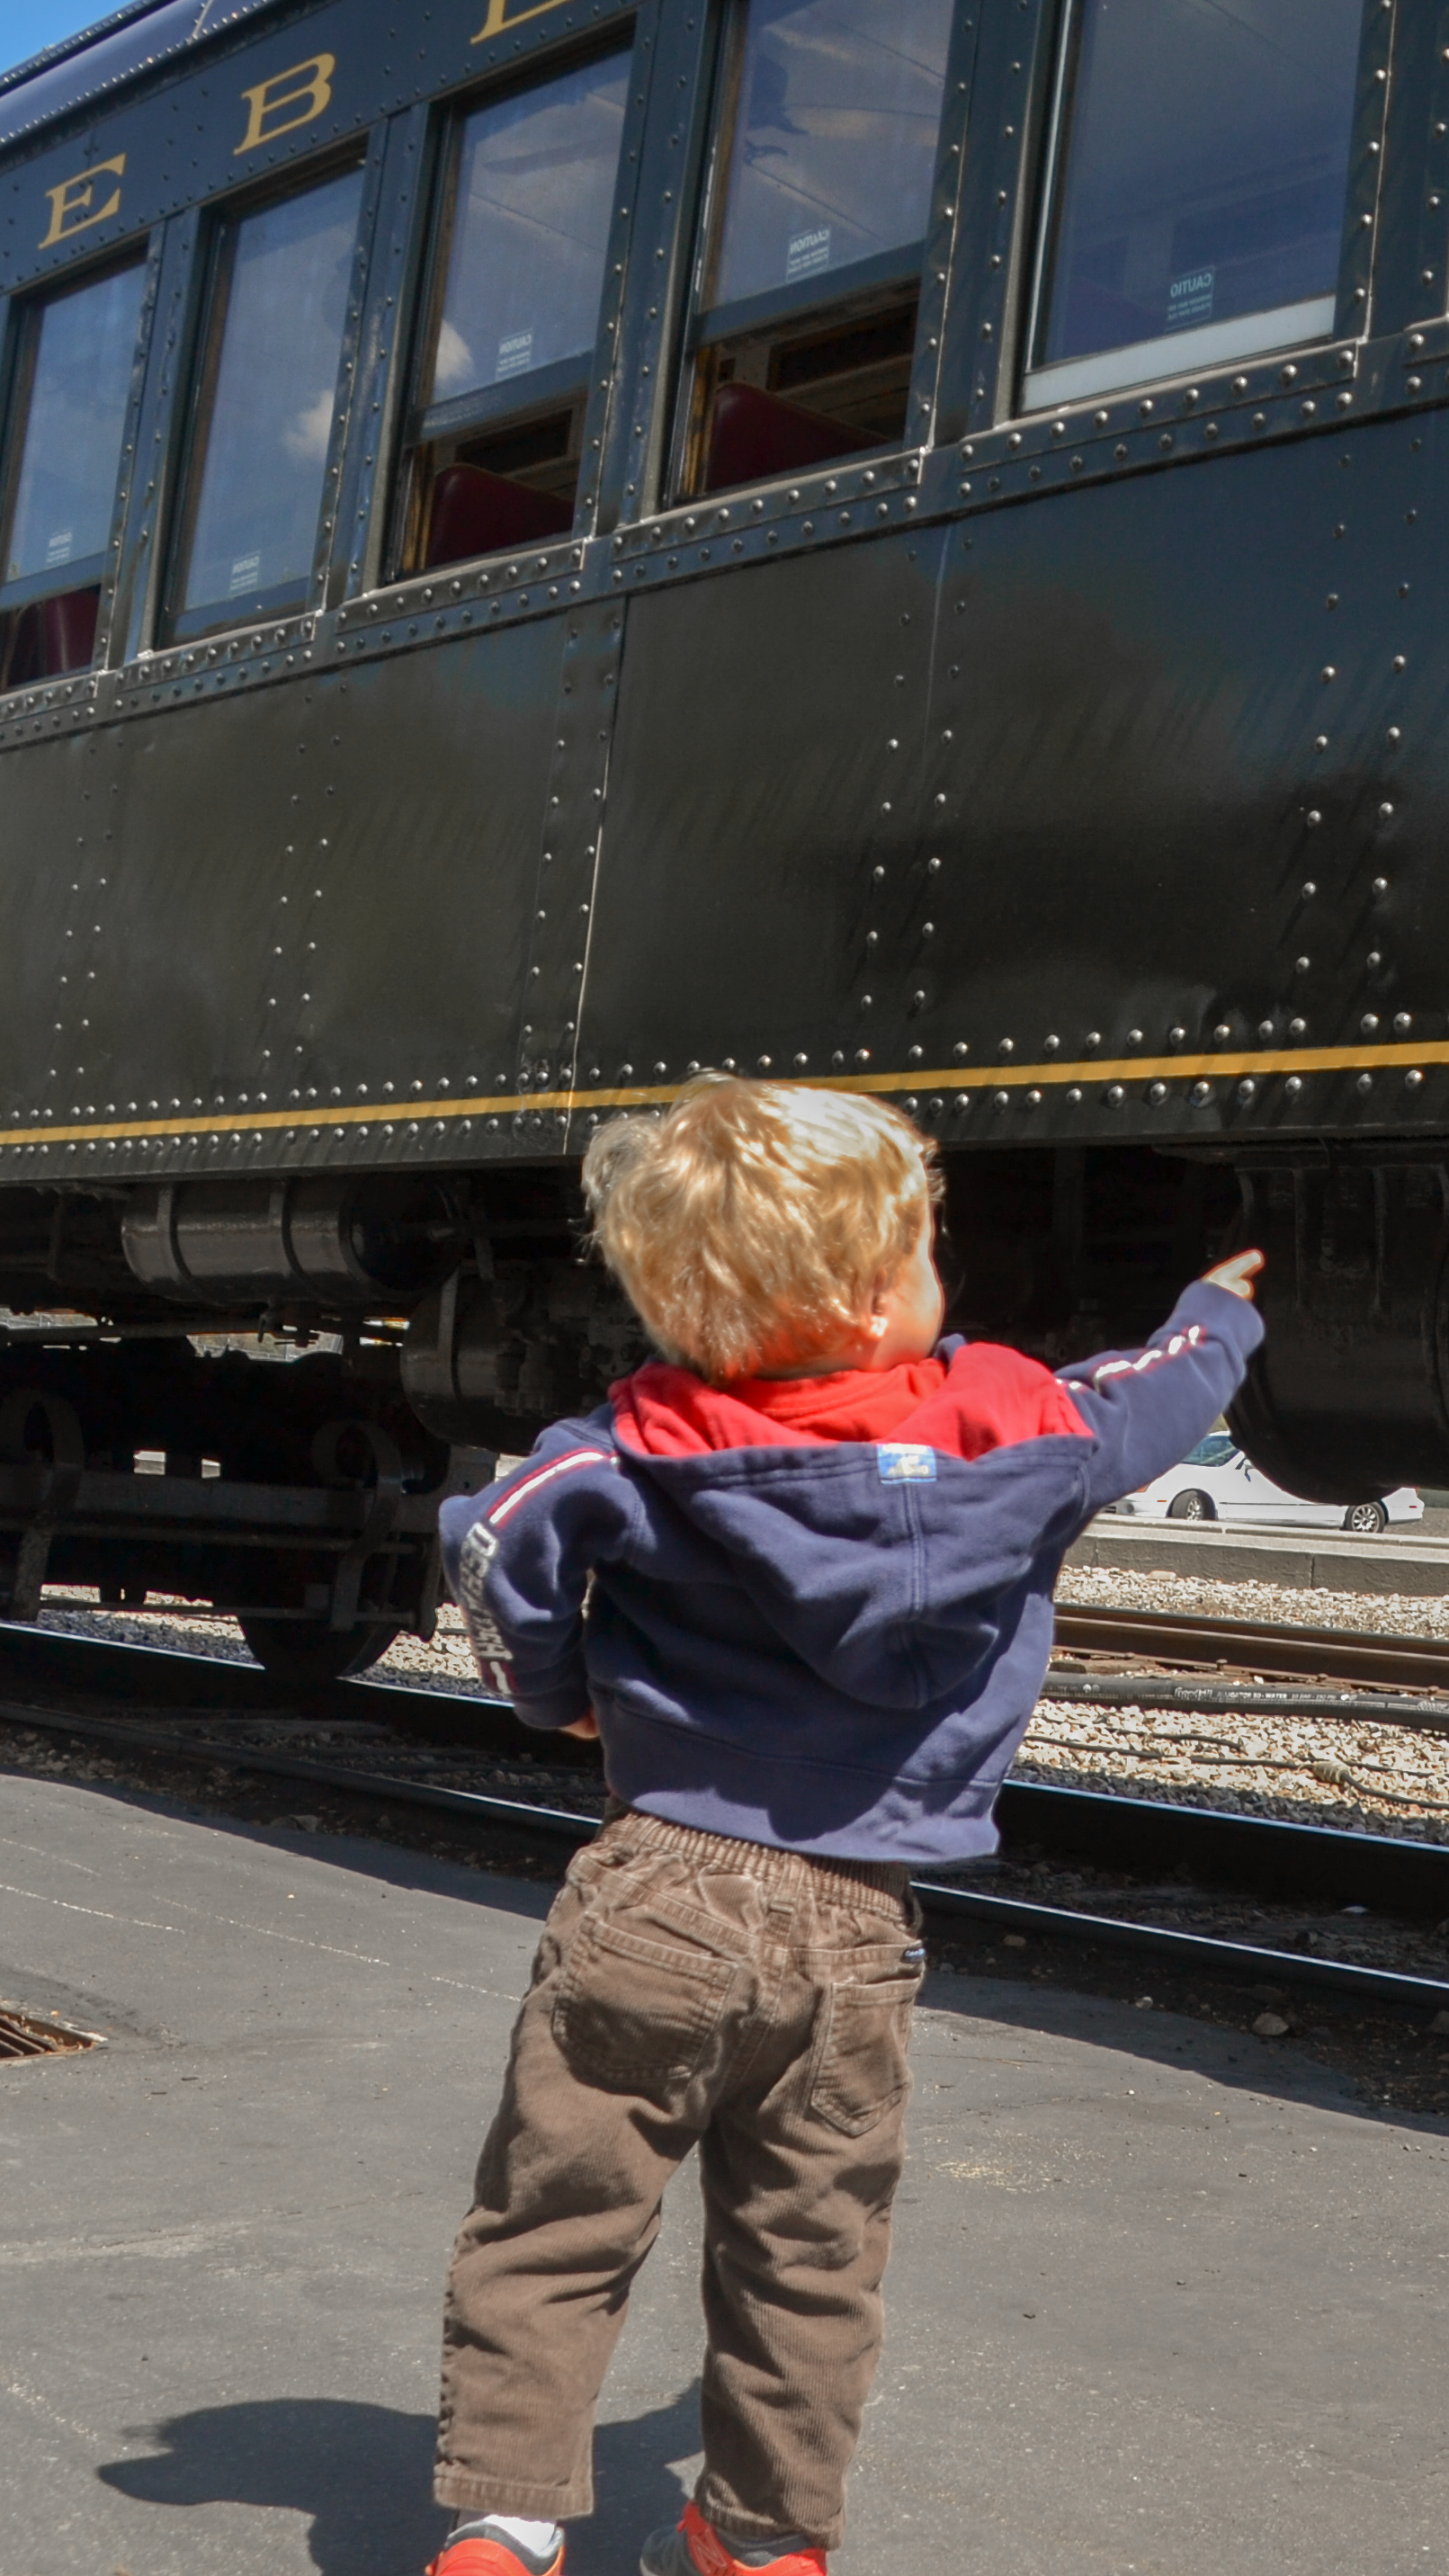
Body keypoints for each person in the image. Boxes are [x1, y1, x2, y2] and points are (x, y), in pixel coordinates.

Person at [422, 1073, 1261, 2576]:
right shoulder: (1017, 1420)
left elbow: (492, 1535)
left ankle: (506, 2527)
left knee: (557, 2224)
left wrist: (553, 1693)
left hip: (656, 1893)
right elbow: (1159, 1391)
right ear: (887, 1293)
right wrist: (1221, 1307)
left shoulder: (642, 1432)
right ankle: (764, 2543)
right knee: (810, 2261)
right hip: (861, 1927)